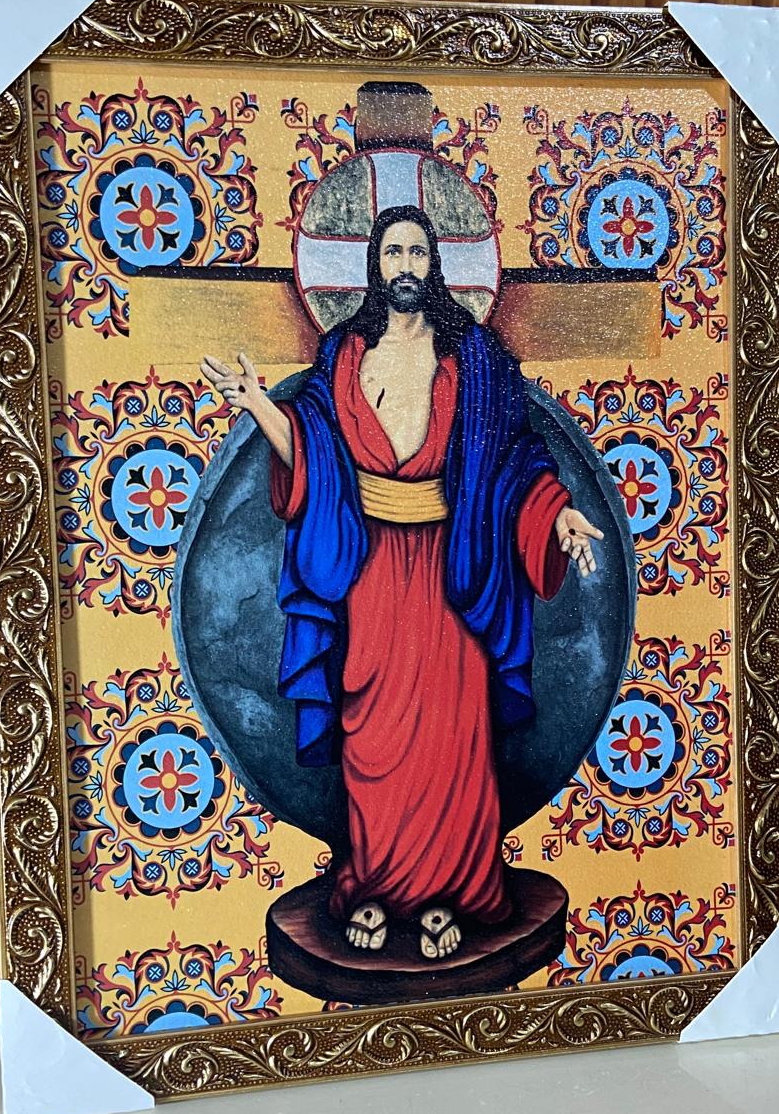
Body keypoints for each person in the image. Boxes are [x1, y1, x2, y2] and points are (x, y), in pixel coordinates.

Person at [200, 205, 602, 961]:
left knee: (453, 738)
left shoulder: (474, 360)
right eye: (393, 252)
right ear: (375, 265)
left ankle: (454, 893)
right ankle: (376, 888)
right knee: (372, 733)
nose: (406, 265)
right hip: (373, 572)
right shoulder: (344, 357)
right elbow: (312, 452)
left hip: (454, 572)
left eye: (418, 251)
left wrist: (557, 515)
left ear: (435, 264)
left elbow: (516, 458)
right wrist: (255, 402)